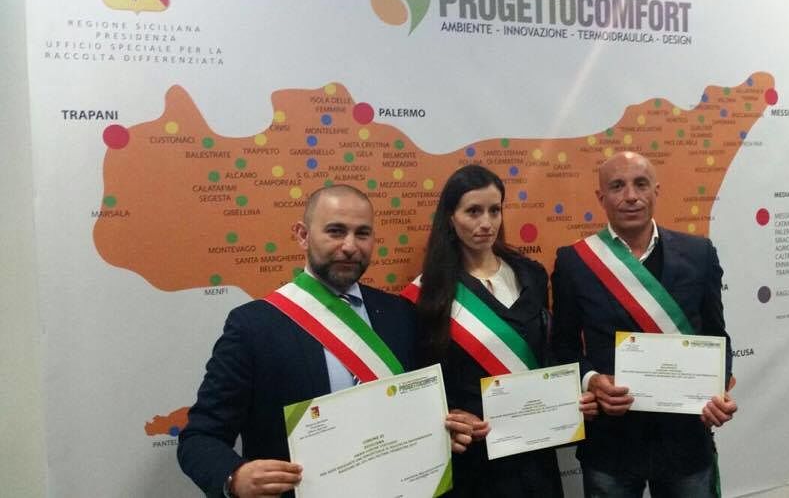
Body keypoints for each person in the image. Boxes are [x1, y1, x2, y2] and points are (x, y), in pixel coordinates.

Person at [178, 185, 474, 498]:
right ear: (303, 235)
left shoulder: (399, 313)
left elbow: (417, 406)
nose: (350, 246)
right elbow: (200, 437)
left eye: (362, 234)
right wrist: (234, 478)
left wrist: (446, 426)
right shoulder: (253, 327)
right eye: (335, 231)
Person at [402, 164, 597, 498]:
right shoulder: (427, 295)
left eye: (494, 210)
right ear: (450, 217)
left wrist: (572, 394)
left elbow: (548, 354)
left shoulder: (531, 274)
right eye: (473, 211)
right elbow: (422, 380)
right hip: (477, 456)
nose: (486, 223)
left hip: (537, 447)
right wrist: (447, 417)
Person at [551, 152, 738, 498]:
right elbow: (562, 347)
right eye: (617, 186)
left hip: (685, 438)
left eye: (640, 184)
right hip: (611, 442)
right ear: (601, 197)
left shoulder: (699, 254)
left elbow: (717, 335)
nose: (631, 196)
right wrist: (591, 380)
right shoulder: (574, 262)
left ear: (656, 191)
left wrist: (718, 389)